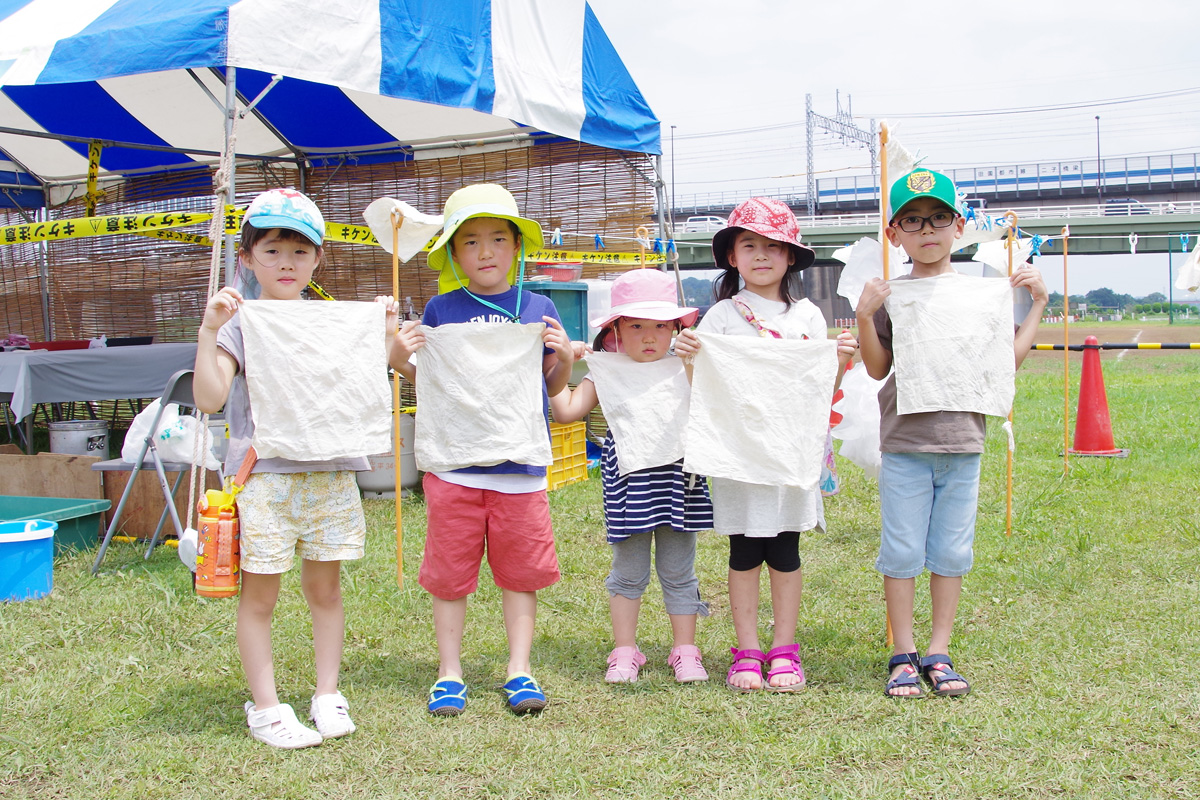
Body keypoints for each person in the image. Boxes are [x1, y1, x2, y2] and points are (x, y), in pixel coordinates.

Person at [194, 188, 389, 748]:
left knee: (326, 591)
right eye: (273, 249)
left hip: (329, 473)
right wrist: (209, 331)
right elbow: (209, 398)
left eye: (300, 252)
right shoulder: (239, 323)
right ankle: (266, 709)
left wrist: (378, 332)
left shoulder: (333, 322)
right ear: (248, 256)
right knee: (260, 598)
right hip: (265, 478)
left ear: (318, 259)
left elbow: (361, 383)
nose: (287, 262)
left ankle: (327, 694)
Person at [855, 168, 1049, 698]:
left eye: (939, 218)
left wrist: (1038, 307)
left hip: (964, 442)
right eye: (912, 221)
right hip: (905, 445)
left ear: (958, 226)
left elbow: (1005, 362)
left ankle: (938, 651)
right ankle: (903, 651)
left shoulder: (979, 297)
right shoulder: (892, 295)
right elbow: (876, 369)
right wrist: (864, 317)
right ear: (894, 235)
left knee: (952, 551)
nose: (927, 230)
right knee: (900, 550)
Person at [388, 183, 574, 716]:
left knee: (520, 575)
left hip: (521, 466)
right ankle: (449, 672)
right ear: (452, 252)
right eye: (470, 241)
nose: (486, 251)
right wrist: (399, 357)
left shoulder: (537, 305)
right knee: (449, 577)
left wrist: (562, 357)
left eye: (498, 238)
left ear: (517, 247)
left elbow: (551, 382)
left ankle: (520, 669)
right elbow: (430, 383)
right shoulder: (440, 310)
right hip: (455, 468)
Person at [674, 198, 856, 692]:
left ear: (791, 257)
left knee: (785, 548)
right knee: (744, 549)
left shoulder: (810, 318)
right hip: (739, 456)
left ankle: (785, 649)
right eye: (748, 245)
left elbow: (820, 388)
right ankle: (747, 648)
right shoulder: (720, 318)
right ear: (731, 256)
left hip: (791, 454)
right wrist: (690, 357)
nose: (761, 255)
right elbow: (702, 389)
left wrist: (837, 359)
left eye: (773, 247)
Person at [550, 269, 714, 685]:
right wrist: (565, 363)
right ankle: (625, 651)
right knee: (628, 570)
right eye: (636, 326)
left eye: (660, 326)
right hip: (629, 484)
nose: (648, 337)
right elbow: (567, 411)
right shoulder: (606, 370)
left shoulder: (687, 365)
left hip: (680, 483)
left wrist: (698, 360)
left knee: (679, 570)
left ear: (677, 328)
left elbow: (717, 408)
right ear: (616, 331)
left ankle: (686, 650)